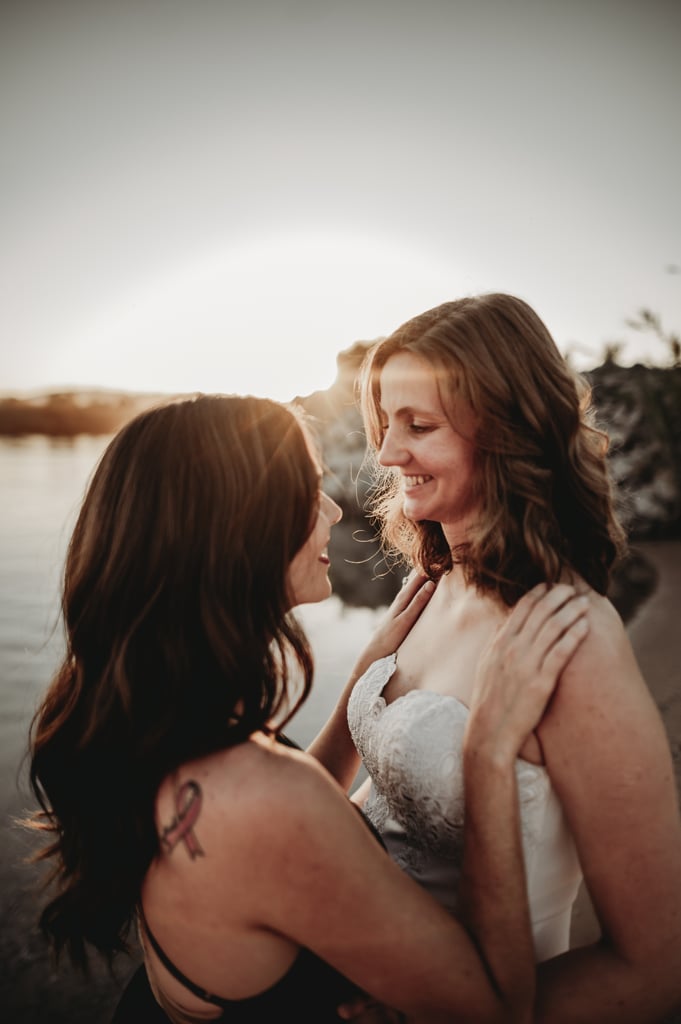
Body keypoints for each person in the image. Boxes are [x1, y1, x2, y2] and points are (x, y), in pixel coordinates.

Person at [25, 392, 589, 1024]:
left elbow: (283, 823)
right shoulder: (268, 799)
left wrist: (362, 678)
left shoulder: (158, 726)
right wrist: (487, 752)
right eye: (307, 489)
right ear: (237, 530)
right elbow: (495, 1007)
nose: (330, 507)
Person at [309, 293, 681, 1022]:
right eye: (383, 425)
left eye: (418, 426)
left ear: (509, 433)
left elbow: (655, 967)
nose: (385, 455)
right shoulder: (430, 582)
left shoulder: (572, 640)